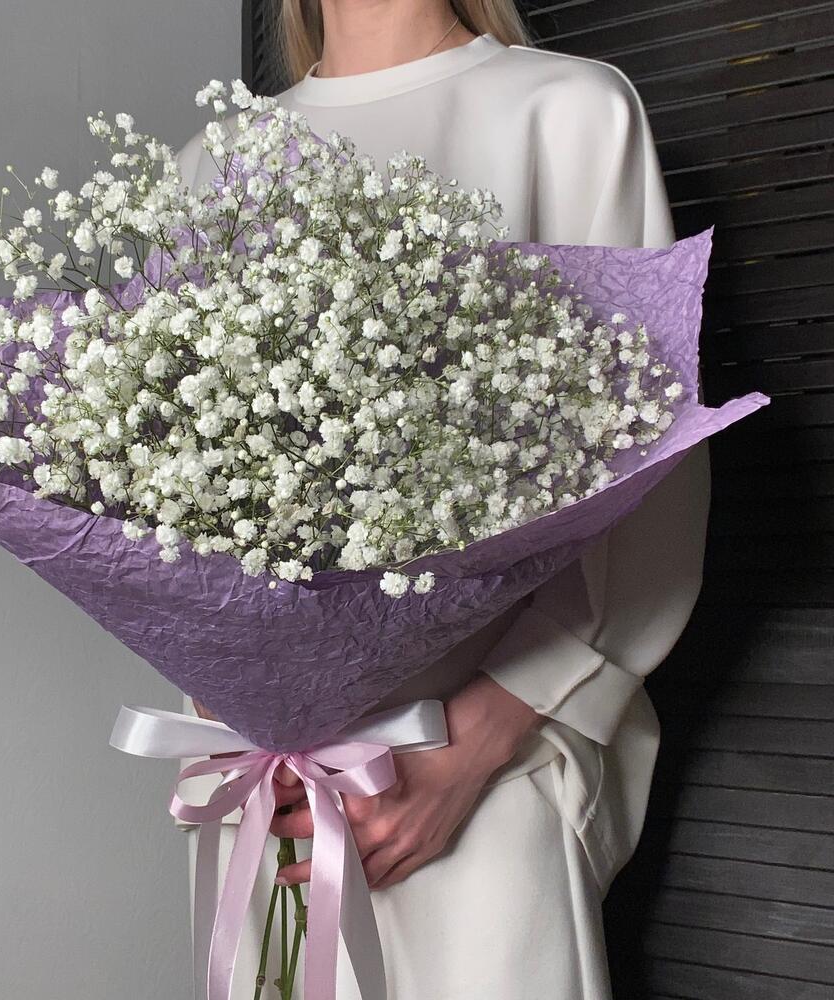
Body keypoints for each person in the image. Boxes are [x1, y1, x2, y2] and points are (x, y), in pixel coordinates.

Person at [172, 2, 713, 997]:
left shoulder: (568, 113)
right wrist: (236, 700)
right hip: (273, 783)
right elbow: (169, 498)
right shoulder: (208, 166)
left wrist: (471, 749)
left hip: (482, 777)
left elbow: (645, 471)